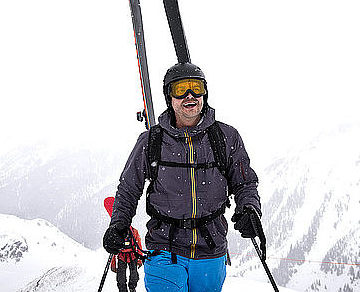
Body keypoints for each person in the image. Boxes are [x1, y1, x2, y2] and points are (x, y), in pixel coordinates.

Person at [103, 62, 264, 292]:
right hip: (163, 249)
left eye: (196, 88)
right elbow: (129, 188)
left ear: (205, 93)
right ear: (170, 96)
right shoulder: (151, 141)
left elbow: (245, 182)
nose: (190, 95)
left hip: (210, 250)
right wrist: (118, 224)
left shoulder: (226, 137)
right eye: (181, 89)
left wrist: (250, 208)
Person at [111, 225, 143, 292]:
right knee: (121, 277)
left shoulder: (134, 232)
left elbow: (139, 245)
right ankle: (123, 290)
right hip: (121, 255)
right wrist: (113, 263)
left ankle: (132, 288)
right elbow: (114, 249)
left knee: (134, 275)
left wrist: (139, 259)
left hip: (132, 255)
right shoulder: (117, 232)